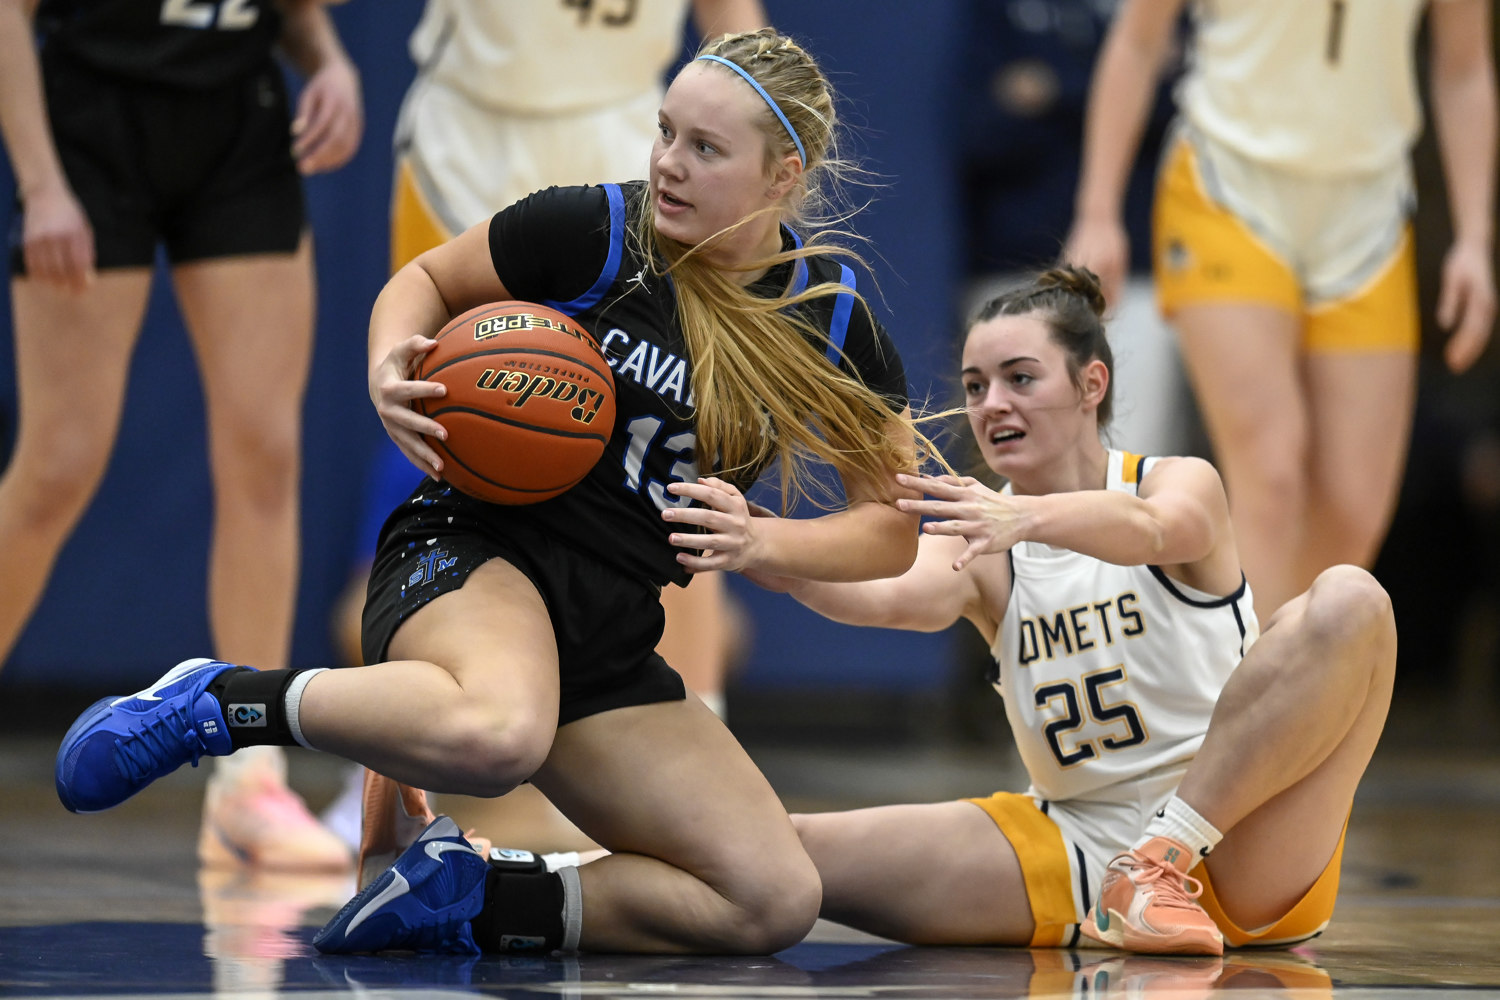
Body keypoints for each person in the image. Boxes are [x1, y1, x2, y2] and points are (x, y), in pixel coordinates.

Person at [55, 27, 931, 956]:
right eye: (665, 131)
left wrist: (764, 543)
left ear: (782, 174)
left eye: (706, 149)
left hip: (609, 625)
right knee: (500, 735)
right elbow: (428, 279)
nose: (669, 163)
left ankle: (469, 898)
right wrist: (387, 366)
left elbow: (891, 528)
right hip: (476, 552)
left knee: (769, 896)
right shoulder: (601, 230)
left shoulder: (829, 315)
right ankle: (219, 701)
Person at [750, 267, 1396, 955]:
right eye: (976, 386)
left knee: (1352, 599)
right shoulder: (986, 543)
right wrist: (763, 547)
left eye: (1020, 379)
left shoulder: (1174, 481)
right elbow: (880, 592)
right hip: (1076, 837)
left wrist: (1025, 516)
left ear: (1091, 385)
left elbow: (1154, 530)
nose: (993, 403)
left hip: (1233, 840)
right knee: (764, 852)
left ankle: (1157, 866)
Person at [323, 0, 768, 870]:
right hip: (468, 135)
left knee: (670, 457)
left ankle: (698, 746)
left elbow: (740, 41)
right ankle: (378, 759)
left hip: (626, 133)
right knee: (453, 416)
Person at [0, 0, 362, 870]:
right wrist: (42, 184)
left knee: (265, 454)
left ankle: (249, 781)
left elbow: (291, 11)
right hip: (91, 121)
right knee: (56, 466)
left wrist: (329, 60)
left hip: (239, 121)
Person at [1062, 0, 1497, 622]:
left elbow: (1465, 68)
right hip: (1226, 183)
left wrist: (1475, 239)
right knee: (1271, 474)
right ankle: (1247, 679)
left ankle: (1260, 666)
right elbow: (1137, 42)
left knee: (1353, 512)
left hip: (1369, 208)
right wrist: (1097, 212)